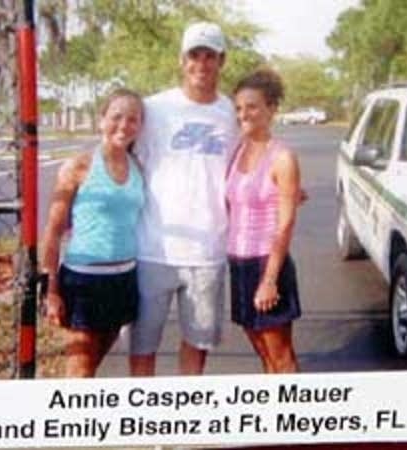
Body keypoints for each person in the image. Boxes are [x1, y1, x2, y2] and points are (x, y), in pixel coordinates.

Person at [129, 22, 239, 376]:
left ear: (222, 61)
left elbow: (249, 161)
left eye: (210, 56)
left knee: (197, 344)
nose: (202, 64)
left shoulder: (232, 113)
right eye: (195, 55)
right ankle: (142, 425)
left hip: (207, 252)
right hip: (153, 248)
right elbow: (119, 153)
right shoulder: (153, 109)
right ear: (182, 60)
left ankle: (186, 423)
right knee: (143, 346)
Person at [41, 88, 145, 377]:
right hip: (83, 283)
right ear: (101, 120)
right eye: (116, 117)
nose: (123, 125)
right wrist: (50, 290)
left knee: (95, 365)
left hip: (123, 280)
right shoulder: (78, 167)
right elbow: (52, 231)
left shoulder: (138, 167)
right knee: (80, 371)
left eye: (133, 119)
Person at [226, 69, 303, 373]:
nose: (243, 114)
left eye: (252, 106)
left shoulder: (282, 157)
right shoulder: (238, 149)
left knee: (281, 357)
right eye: (239, 108)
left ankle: (294, 417)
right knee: (263, 353)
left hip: (267, 264)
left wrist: (270, 280)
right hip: (240, 263)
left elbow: (285, 224)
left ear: (271, 109)